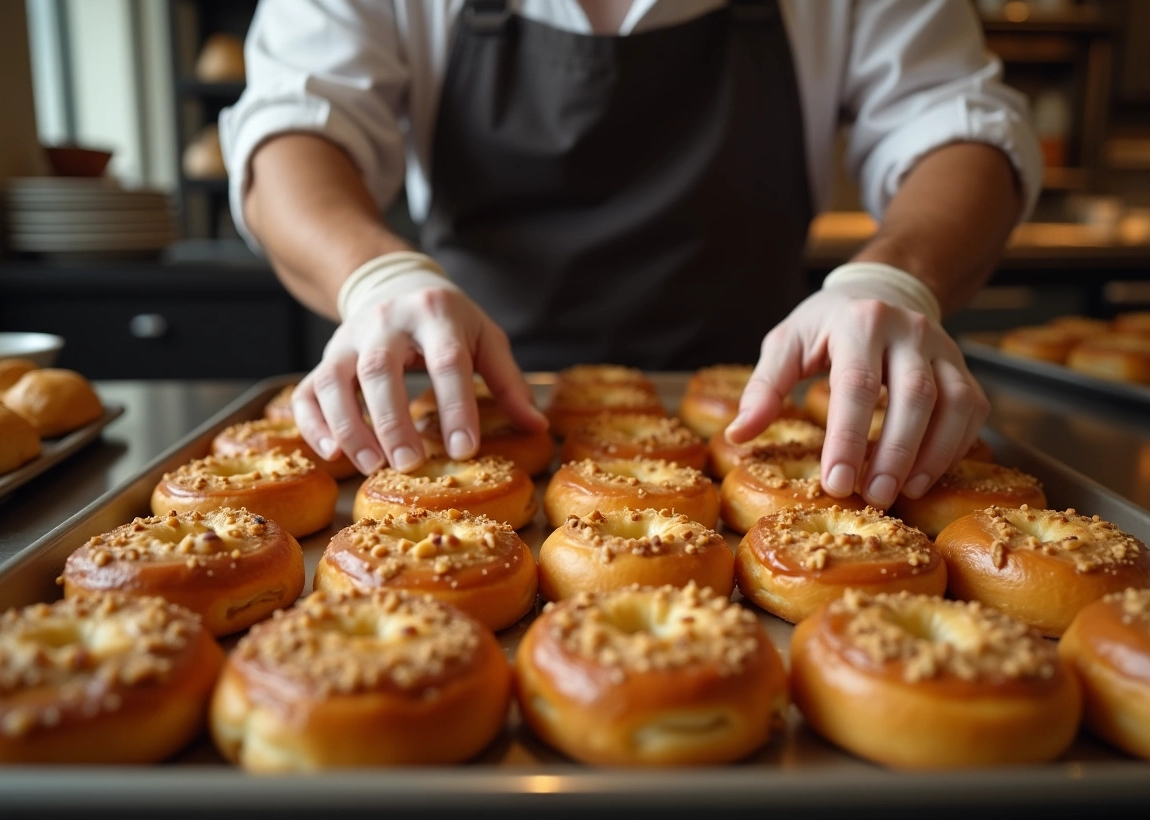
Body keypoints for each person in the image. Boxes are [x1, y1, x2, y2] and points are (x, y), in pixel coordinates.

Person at [220, 0, 1041, 510]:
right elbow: (292, 131)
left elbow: (957, 124)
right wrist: (376, 276)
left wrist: (896, 275)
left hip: (764, 403)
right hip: (467, 405)